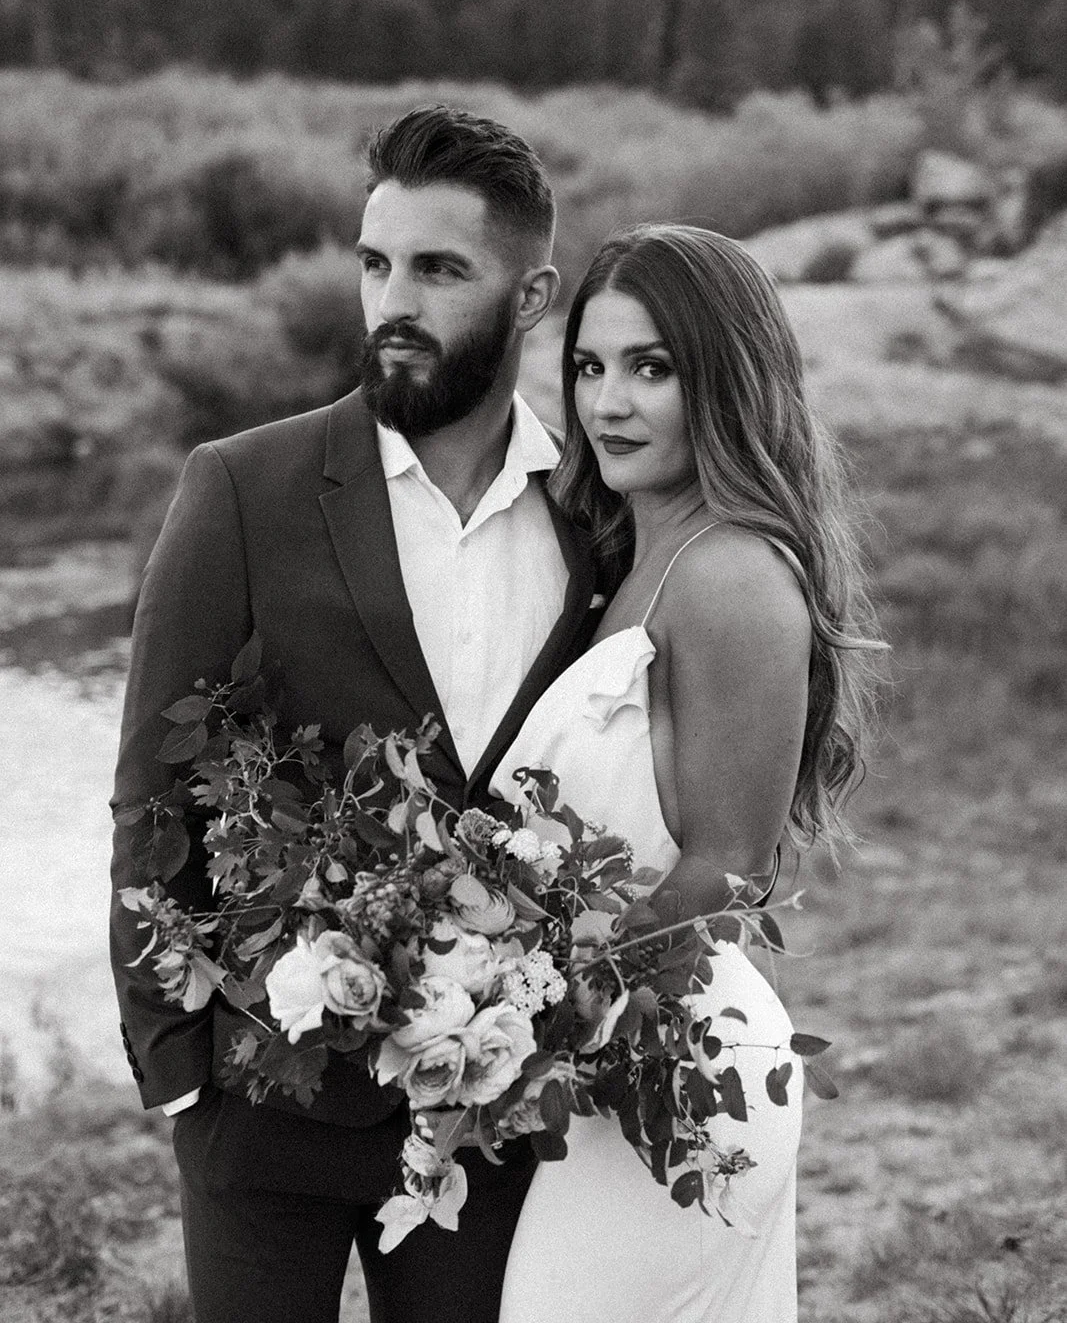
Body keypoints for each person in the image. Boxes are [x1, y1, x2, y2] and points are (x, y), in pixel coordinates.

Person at [109, 106, 599, 1323]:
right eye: (376, 263)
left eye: (439, 269)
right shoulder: (242, 486)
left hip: (481, 1112)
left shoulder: (594, 520)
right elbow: (150, 791)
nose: (394, 301)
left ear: (532, 295)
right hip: (261, 1100)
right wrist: (178, 1075)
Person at [494, 225, 882, 1323]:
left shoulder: (732, 574)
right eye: (588, 365)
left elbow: (728, 868)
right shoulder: (624, 555)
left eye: (650, 368)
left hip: (683, 1078)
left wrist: (539, 998)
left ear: (726, 380)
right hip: (610, 1069)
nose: (606, 403)